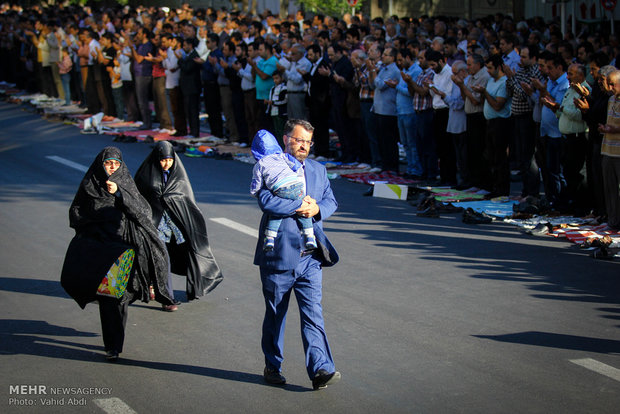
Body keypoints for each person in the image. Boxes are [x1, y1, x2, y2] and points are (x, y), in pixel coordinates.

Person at [61, 147, 176, 361]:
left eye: (116, 164)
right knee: (109, 300)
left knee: (121, 297)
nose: (112, 167)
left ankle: (114, 344)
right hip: (99, 252)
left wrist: (120, 195)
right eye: (108, 164)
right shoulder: (90, 186)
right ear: (101, 165)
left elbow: (143, 213)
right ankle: (112, 347)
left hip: (124, 252)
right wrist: (94, 224)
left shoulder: (126, 184)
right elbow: (75, 214)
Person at [253, 119, 341, 390]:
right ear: (286, 139)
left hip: (310, 257)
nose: (304, 146)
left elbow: (330, 201)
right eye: (299, 140)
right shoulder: (271, 165)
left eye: (308, 142)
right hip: (278, 255)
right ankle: (273, 364)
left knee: (313, 314)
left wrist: (316, 210)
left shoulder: (318, 170)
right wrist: (298, 205)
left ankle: (320, 369)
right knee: (276, 315)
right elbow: (265, 201)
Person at [134, 141, 224, 301]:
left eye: (169, 160)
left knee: (191, 251)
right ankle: (166, 296)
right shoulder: (145, 175)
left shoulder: (179, 177)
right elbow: (139, 200)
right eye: (163, 160)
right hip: (156, 224)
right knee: (161, 256)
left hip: (176, 223)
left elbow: (187, 199)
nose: (166, 164)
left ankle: (195, 288)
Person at [250, 129, 316, 251]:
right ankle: (310, 236)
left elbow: (257, 182)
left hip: (279, 188)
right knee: (304, 211)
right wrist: (298, 181)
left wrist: (254, 192)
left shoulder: (260, 164)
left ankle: (270, 238)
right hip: (296, 186)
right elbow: (297, 166)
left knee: (276, 213)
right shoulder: (283, 156)